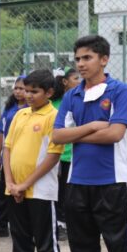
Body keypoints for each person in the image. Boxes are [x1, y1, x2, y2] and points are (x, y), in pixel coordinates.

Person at [52, 35, 127, 252]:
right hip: (77, 181)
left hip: (112, 182)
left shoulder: (120, 91)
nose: (81, 64)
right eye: (77, 59)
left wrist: (76, 132)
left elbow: (114, 135)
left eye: (87, 58)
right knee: (83, 246)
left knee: (117, 247)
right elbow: (57, 136)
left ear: (103, 59)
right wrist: (91, 127)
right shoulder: (73, 95)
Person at [0, 70, 67, 252]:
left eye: (34, 91)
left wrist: (25, 185)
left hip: (41, 192)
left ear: (49, 93)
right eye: (26, 90)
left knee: (46, 244)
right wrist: (11, 183)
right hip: (15, 189)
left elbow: (53, 156)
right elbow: (7, 149)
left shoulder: (53, 117)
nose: (28, 95)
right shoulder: (19, 115)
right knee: (21, 242)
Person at [0, 76, 27, 238]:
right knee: (4, 192)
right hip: (7, 157)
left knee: (19, 193)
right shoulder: (9, 109)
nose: (19, 92)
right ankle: (1, 224)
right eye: (17, 88)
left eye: (23, 89)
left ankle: (19, 225)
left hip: (22, 158)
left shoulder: (29, 110)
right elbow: (1, 133)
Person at [50, 66, 80, 241]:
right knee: (58, 192)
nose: (79, 81)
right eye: (75, 78)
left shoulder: (80, 101)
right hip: (58, 156)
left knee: (70, 194)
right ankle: (59, 224)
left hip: (74, 156)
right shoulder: (56, 103)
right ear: (65, 82)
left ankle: (67, 224)